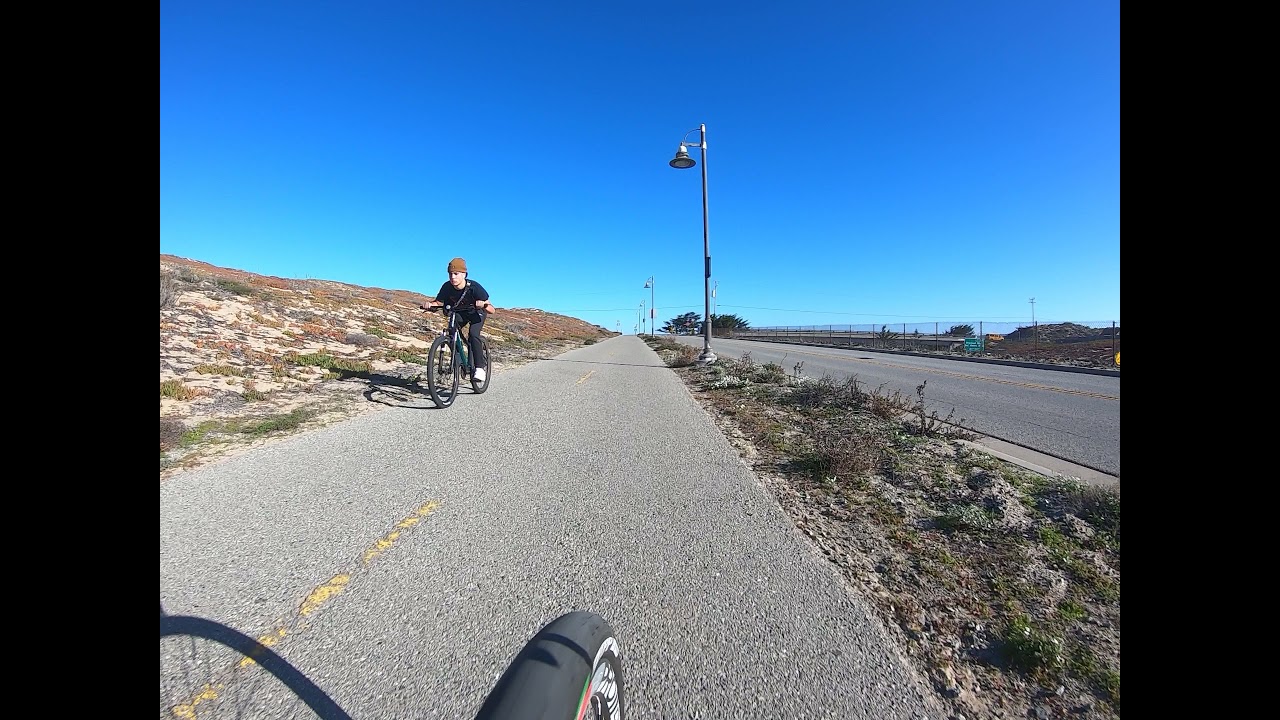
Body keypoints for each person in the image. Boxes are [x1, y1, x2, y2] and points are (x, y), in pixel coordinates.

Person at [420, 257, 494, 381]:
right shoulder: (447, 287)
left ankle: (480, 368)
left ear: (464, 274)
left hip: (476, 313)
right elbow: (438, 302)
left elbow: (492, 309)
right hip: (460, 313)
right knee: (451, 330)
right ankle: (458, 360)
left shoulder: (474, 287)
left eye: (456, 273)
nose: (453, 277)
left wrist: (483, 305)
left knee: (473, 334)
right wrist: (429, 305)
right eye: (450, 274)